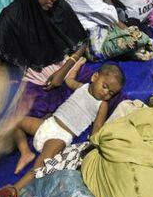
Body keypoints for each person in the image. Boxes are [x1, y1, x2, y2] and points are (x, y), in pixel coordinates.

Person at [0, 0, 88, 116]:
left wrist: (62, 72)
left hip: (66, 67)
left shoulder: (59, 8)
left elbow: (81, 43)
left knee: (96, 92)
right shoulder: (11, 18)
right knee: (27, 112)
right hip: (32, 77)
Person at [12, 60, 124, 190]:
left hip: (60, 136)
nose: (106, 93)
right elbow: (69, 80)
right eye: (105, 86)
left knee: (40, 166)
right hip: (48, 123)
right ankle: (25, 152)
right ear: (94, 77)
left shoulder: (102, 104)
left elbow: (98, 126)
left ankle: (14, 189)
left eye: (111, 93)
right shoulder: (82, 87)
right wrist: (77, 65)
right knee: (15, 122)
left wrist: (91, 145)